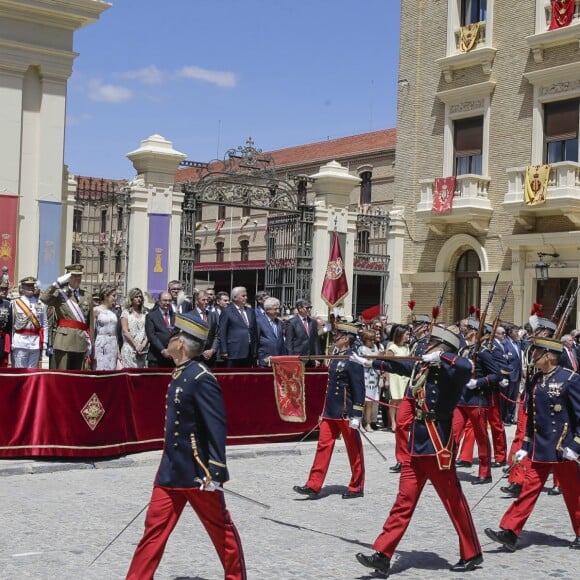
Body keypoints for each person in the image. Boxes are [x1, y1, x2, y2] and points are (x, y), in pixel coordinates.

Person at [351, 325, 483, 576]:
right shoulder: (422, 366)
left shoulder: (452, 371)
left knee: (453, 501)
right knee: (403, 502)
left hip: (438, 444)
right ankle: (383, 553)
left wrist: (442, 357)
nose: (425, 346)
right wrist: (369, 362)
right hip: (417, 445)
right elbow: (399, 365)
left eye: (431, 343)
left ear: (443, 348)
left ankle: (472, 552)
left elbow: (466, 366)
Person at [126, 314, 247, 579]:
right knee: (153, 532)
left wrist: (216, 470)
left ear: (180, 343)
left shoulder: (200, 377)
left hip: (197, 472)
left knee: (221, 530)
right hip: (171, 471)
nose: (165, 341)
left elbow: (216, 426)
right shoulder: (181, 373)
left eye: (171, 337)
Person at [485, 336, 580, 552]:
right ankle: (510, 531)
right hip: (540, 448)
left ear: (548, 356)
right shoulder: (536, 379)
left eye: (537, 352)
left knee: (574, 493)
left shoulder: (570, 379)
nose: (532, 355)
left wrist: (575, 446)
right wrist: (525, 448)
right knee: (528, 489)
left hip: (563, 449)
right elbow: (532, 418)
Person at [293, 322, 365, 500]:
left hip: (346, 412)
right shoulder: (335, 356)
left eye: (338, 336)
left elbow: (359, 388)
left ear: (347, 339)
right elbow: (330, 387)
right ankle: (313, 484)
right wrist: (323, 410)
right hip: (331, 411)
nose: (334, 338)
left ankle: (357, 485)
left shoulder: (353, 358)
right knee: (323, 446)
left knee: (353, 449)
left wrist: (357, 414)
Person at [40, 264, 92, 370]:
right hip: (64, 340)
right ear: (68, 278)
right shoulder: (60, 294)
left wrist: (91, 341)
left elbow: (90, 322)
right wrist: (56, 284)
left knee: (77, 376)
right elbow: (44, 298)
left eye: (79, 276)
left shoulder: (86, 295)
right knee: (62, 374)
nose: (78, 279)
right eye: (74, 276)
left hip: (81, 339)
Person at [10, 276, 48, 368]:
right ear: (22, 288)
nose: (31, 288)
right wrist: (12, 342)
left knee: (32, 373)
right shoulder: (15, 303)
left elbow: (45, 324)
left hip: (35, 342)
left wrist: (45, 342)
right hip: (20, 342)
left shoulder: (40, 304)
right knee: (20, 371)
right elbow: (11, 325)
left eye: (32, 285)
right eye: (28, 286)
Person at [218, 286, 256, 368]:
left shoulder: (250, 311)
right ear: (235, 297)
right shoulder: (227, 311)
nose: (246, 298)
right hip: (234, 351)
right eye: (243, 296)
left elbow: (254, 330)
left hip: (249, 351)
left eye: (246, 296)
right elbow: (222, 332)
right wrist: (224, 350)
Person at [385, 324, 411, 432]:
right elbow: (386, 364)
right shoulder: (392, 348)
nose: (408, 336)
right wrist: (386, 379)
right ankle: (393, 422)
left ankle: (400, 420)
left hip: (404, 376)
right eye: (406, 334)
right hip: (394, 376)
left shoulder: (407, 348)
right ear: (400, 334)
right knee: (394, 400)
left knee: (402, 399)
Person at [357, 328, 381, 430]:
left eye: (373, 339)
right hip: (364, 376)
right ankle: (360, 423)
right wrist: (372, 360)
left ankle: (368, 423)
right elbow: (362, 362)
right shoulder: (361, 348)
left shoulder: (375, 347)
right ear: (365, 339)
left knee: (370, 402)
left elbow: (378, 359)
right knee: (362, 402)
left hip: (374, 377)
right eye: (370, 339)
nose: (372, 341)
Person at [285, 299, 320, 365]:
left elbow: (316, 341)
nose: (309, 309)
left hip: (311, 360)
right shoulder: (291, 323)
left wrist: (317, 358)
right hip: (298, 359)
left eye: (310, 307)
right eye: (307, 308)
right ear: (300, 308)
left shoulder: (313, 322)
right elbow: (289, 343)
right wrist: (291, 359)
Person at [92, 286, 120, 370]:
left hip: (113, 343)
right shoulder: (96, 310)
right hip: (101, 344)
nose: (115, 298)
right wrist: (92, 349)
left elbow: (115, 332)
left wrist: (118, 349)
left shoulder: (114, 312)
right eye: (113, 296)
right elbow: (92, 331)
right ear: (105, 296)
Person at [145, 291, 175, 368]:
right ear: (159, 301)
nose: (167, 303)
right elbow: (152, 336)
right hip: (156, 358)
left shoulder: (175, 316)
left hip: (172, 357)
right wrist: (163, 350)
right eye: (165, 300)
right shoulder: (151, 316)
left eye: (169, 300)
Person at [120, 287, 148, 368]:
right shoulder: (126, 313)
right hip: (129, 348)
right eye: (136, 297)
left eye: (140, 297)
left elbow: (149, 331)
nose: (139, 299)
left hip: (143, 349)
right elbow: (125, 331)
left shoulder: (146, 313)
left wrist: (143, 345)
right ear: (131, 298)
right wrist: (136, 345)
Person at [190, 289, 219, 365]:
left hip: (211, 356)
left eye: (207, 300)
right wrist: (200, 352)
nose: (206, 302)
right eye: (203, 300)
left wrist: (212, 350)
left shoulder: (212, 315)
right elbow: (188, 337)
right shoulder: (190, 316)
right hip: (195, 357)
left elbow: (216, 335)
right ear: (196, 301)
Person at [256, 296, 285, 367]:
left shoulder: (280, 323)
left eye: (279, 309)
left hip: (279, 360)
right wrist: (258, 358)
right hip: (265, 359)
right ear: (267, 310)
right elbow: (255, 341)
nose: (278, 311)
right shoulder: (259, 322)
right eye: (276, 309)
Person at [0, 278, 12, 368]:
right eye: (1, 289)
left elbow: (10, 326)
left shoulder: (8, 304)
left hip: (3, 340)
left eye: (6, 289)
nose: (4, 291)